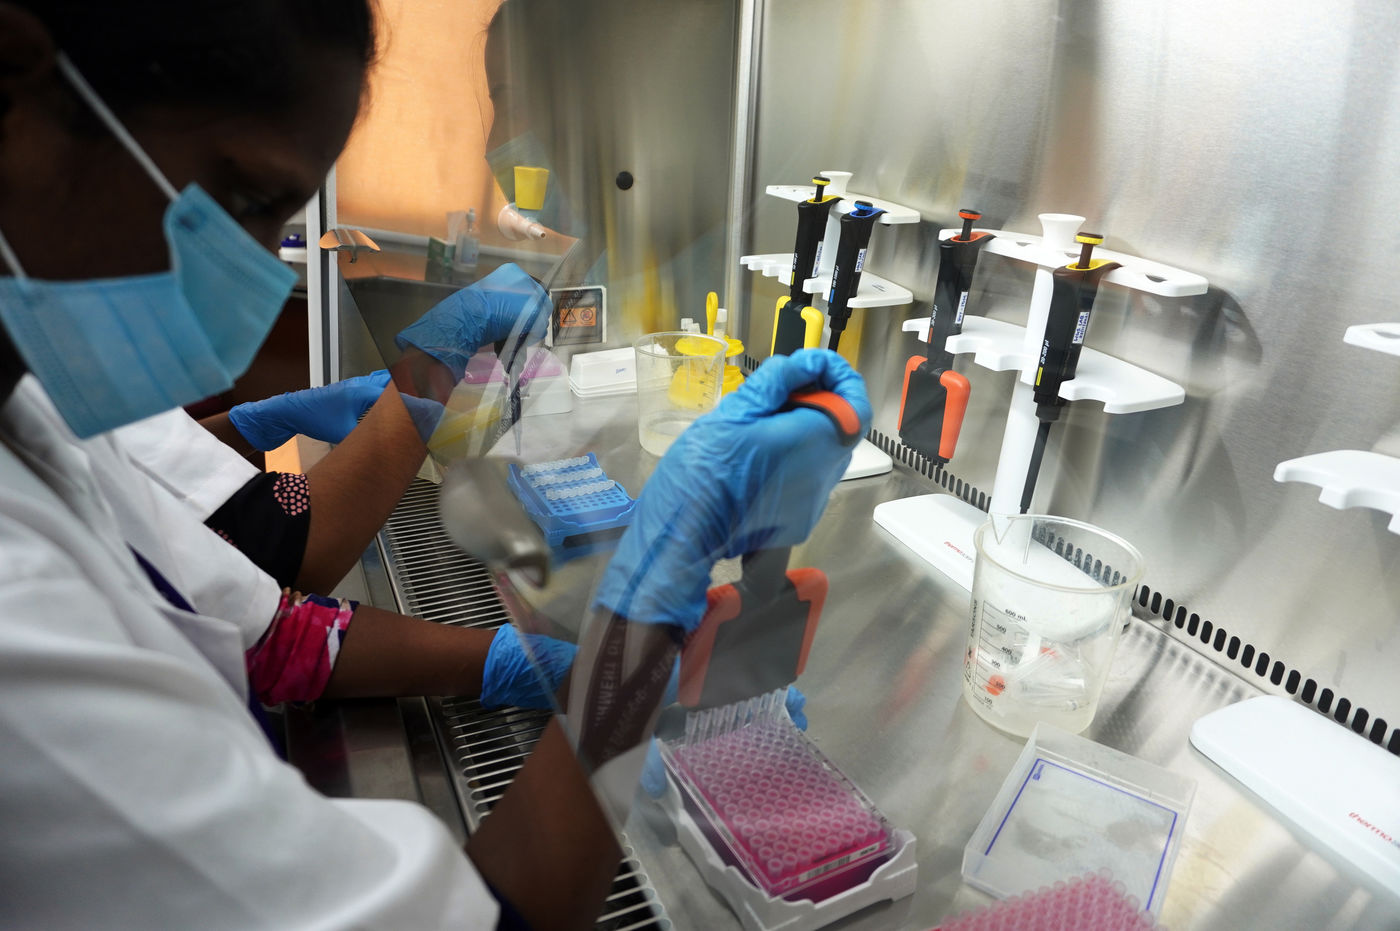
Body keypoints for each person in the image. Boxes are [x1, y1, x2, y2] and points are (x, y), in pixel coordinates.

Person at [0, 4, 871, 931]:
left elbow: (271, 630)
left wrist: (522, 661)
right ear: (14, 84)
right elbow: (488, 918)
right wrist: (637, 634)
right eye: (248, 198)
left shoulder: (38, 414)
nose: (258, 273)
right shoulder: (21, 621)